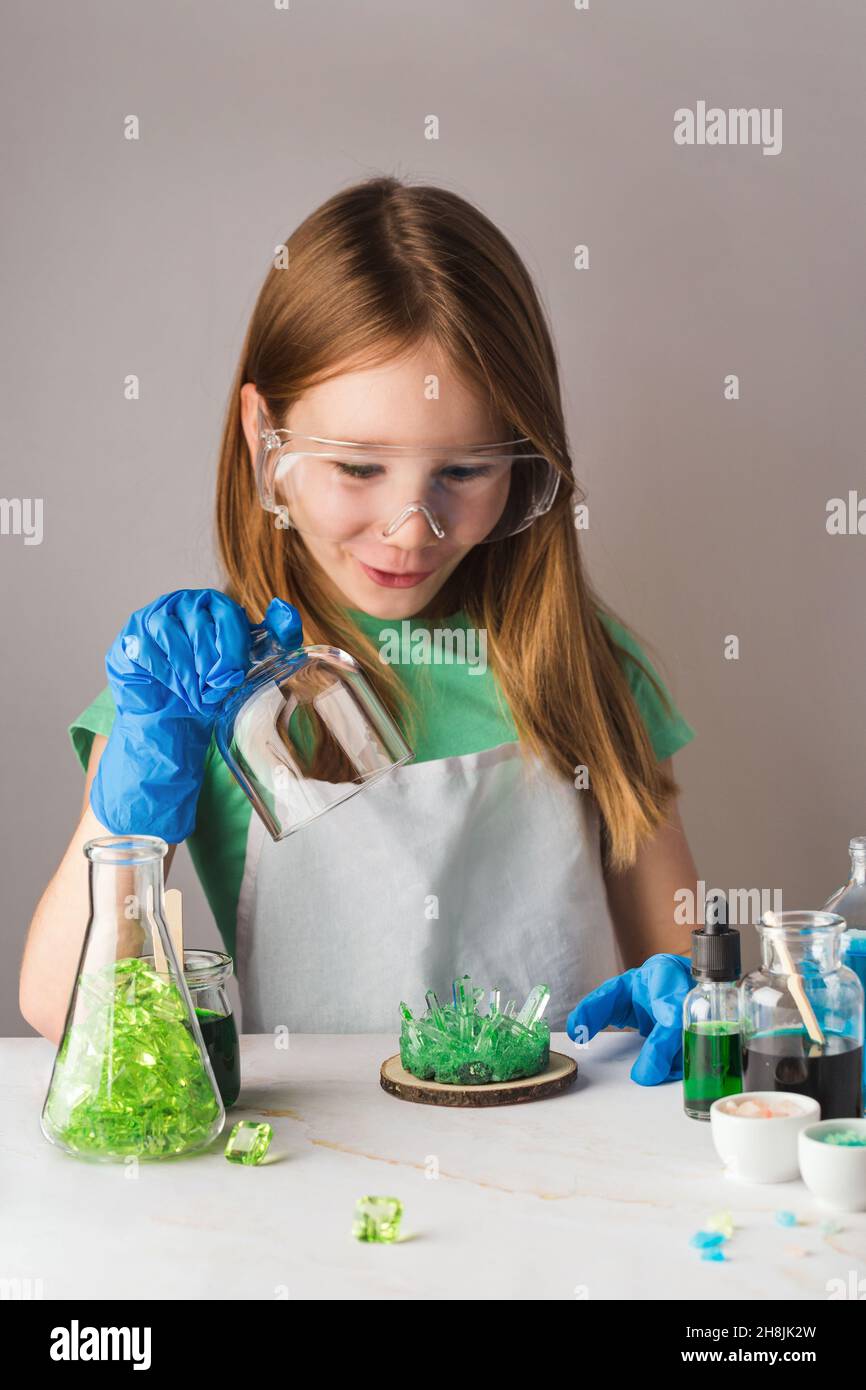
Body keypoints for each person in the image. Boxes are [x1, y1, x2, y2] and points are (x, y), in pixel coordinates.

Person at [20, 176, 699, 1078]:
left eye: (463, 469)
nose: (411, 526)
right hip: (314, 1175)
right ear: (267, 441)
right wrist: (132, 808)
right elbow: (54, 1007)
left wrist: (705, 1003)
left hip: (557, 1165)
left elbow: (686, 962)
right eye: (358, 467)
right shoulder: (191, 694)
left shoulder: (582, 669)